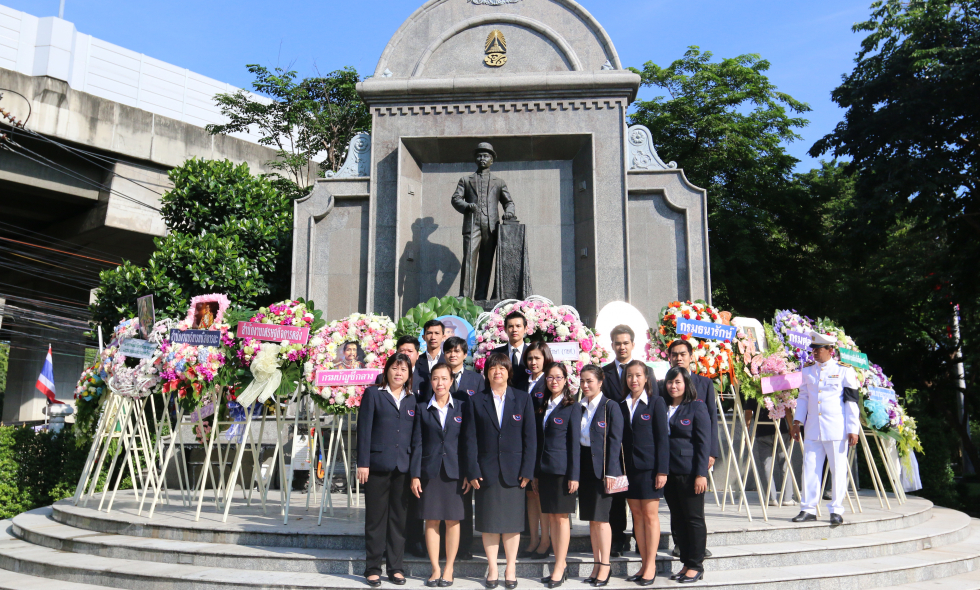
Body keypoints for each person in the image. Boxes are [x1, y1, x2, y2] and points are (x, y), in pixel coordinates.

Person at [462, 352, 536, 589]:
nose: (497, 372)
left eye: (502, 368)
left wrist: (528, 469)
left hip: (514, 473)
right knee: (489, 522)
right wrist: (472, 470)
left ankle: (511, 567)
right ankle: (493, 567)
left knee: (512, 524)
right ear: (487, 372)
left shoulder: (523, 399)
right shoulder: (476, 401)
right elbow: (470, 439)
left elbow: (530, 438)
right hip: (486, 472)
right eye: (493, 368)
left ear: (508, 372)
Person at [357, 353, 419, 587]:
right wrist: (362, 462)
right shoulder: (374, 394)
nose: (399, 373)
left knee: (398, 520)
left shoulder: (413, 399)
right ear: (387, 370)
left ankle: (396, 568)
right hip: (376, 466)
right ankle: (372, 568)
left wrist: (414, 470)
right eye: (395, 368)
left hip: (402, 467)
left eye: (404, 370)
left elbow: (415, 437)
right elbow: (364, 430)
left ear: (409, 374)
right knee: (375, 519)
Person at [790, 332, 861, 525]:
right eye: (812, 349)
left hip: (837, 428)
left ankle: (836, 510)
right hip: (813, 427)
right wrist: (797, 422)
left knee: (838, 470)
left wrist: (853, 428)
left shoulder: (845, 370)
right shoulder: (807, 371)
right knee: (810, 468)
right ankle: (808, 508)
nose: (814, 352)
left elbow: (851, 402)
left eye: (818, 349)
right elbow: (803, 398)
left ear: (830, 350)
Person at [411, 363, 470, 587]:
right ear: (431, 382)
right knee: (432, 520)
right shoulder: (422, 408)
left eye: (444, 378)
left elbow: (467, 442)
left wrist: (468, 472)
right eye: (435, 378)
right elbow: (417, 444)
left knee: (453, 521)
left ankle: (449, 568)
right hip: (430, 471)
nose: (440, 383)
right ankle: (435, 568)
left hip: (455, 472)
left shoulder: (462, 407)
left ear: (452, 381)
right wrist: (415, 475)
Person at [600, 325, 652, 557]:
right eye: (617, 343)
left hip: (640, 446)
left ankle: (643, 540)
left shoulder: (646, 371)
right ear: (612, 345)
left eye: (625, 342)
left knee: (643, 498)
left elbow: (655, 406)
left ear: (633, 344)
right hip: (614, 442)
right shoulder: (604, 373)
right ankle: (618, 538)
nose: (621, 347)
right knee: (617, 493)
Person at [665, 339, 719, 558]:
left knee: (694, 508)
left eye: (683, 354)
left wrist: (711, 452)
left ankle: (697, 549)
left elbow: (711, 421)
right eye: (674, 354)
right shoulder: (665, 384)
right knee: (676, 508)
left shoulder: (704, 384)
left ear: (691, 356)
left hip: (695, 453)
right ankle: (680, 543)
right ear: (669, 358)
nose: (679, 358)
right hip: (672, 460)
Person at [620, 360, 668, 585]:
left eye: (638, 375)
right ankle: (642, 563)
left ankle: (651, 566)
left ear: (646, 377)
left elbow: (662, 439)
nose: (634, 380)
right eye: (630, 375)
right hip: (628, 469)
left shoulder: (656, 403)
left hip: (650, 469)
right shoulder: (622, 404)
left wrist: (662, 470)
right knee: (636, 516)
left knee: (650, 516)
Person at [534, 362, 581, 588]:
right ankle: (557, 562)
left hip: (563, 472)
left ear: (566, 380)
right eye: (550, 377)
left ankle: (560, 566)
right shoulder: (543, 405)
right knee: (551, 518)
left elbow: (574, 444)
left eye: (559, 377)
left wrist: (574, 475)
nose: (554, 381)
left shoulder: (572, 406)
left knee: (561, 519)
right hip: (545, 471)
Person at [450, 142, 517, 301]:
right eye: (479, 155)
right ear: (475, 159)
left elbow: (509, 202)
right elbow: (456, 199)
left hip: (492, 227)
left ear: (492, 160)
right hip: (472, 224)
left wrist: (509, 212)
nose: (482, 158)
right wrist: (466, 206)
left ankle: (480, 298)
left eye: (486, 155)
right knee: (469, 260)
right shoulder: (466, 180)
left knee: (486, 264)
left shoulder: (499, 182)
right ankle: (465, 297)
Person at [662, 366, 710, 584]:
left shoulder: (696, 407)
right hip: (669, 473)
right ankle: (685, 562)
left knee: (694, 519)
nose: (673, 386)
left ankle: (696, 565)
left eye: (678, 382)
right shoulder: (662, 406)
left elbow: (703, 444)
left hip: (690, 473)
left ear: (686, 384)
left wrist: (701, 474)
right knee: (678, 519)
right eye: (670, 382)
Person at [577, 365, 623, 588]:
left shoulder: (610, 407)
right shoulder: (579, 407)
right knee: (592, 520)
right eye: (582, 381)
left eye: (590, 381)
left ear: (600, 382)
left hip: (603, 469)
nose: (585, 385)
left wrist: (611, 473)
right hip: (584, 467)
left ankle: (606, 565)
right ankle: (596, 564)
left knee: (602, 520)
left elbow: (615, 442)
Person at [443, 336, 483, 559]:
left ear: (465, 354)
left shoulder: (476, 380)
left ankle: (465, 546)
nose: (453, 355)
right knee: (443, 500)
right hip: (443, 444)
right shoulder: (438, 377)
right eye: (449, 351)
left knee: (464, 498)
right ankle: (443, 546)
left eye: (457, 351)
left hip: (467, 444)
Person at [520, 341, 553, 560]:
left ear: (546, 359)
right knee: (530, 496)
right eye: (530, 358)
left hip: (542, 444)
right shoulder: (522, 382)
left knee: (540, 495)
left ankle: (546, 540)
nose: (533, 362)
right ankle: (533, 539)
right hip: (523, 444)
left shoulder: (549, 381)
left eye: (537, 358)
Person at [743, 397, 798, 506]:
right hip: (781, 431)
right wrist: (791, 428)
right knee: (785, 463)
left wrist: (747, 432)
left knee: (766, 465)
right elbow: (787, 411)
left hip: (761, 432)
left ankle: (771, 497)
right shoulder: (779, 388)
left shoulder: (755, 390)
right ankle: (787, 498)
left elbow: (748, 412)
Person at [491, 311, 530, 392]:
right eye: (511, 326)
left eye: (518, 326)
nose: (514, 329)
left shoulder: (531, 353)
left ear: (525, 329)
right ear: (505, 329)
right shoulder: (496, 353)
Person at [417, 320, 447, 401]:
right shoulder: (416, 362)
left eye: (437, 333)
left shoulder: (448, 363)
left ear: (443, 337)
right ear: (423, 337)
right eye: (429, 333)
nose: (433, 337)